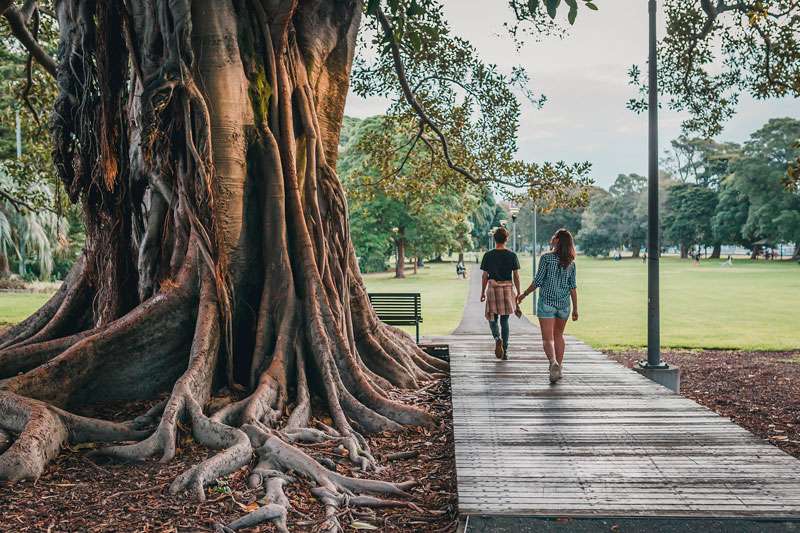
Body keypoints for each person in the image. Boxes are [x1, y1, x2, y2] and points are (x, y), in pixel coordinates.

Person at [517, 228, 579, 383]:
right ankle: (560, 368)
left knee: (547, 338)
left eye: (554, 237)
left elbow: (537, 281)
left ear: (557, 240)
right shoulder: (571, 263)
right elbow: (573, 287)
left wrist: (523, 294)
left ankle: (553, 363)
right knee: (558, 336)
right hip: (564, 305)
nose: (551, 239)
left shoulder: (546, 258)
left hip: (547, 303)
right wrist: (576, 308)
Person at [480, 227, 521, 360]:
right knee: (505, 320)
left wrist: (482, 292)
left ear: (494, 239)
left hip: (493, 288)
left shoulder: (488, 255)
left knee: (492, 318)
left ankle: (497, 338)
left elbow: (485, 276)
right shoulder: (512, 255)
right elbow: (516, 276)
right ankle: (506, 350)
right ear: (506, 239)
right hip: (507, 289)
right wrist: (518, 293)